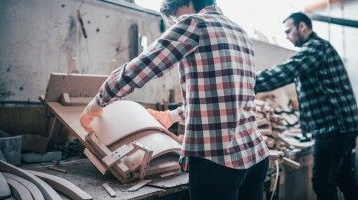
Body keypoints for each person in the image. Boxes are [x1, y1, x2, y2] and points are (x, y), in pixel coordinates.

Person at [80, 0, 269, 199]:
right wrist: (171, 116)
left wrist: (99, 101)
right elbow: (225, 98)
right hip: (255, 156)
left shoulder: (194, 24)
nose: (177, 21)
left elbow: (143, 67)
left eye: (175, 16)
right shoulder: (240, 32)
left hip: (217, 161)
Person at [255, 12, 358, 200]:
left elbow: (286, 72)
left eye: (288, 31)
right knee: (346, 180)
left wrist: (245, 81)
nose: (286, 36)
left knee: (322, 183)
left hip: (334, 128)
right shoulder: (319, 48)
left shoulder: (315, 48)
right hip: (342, 127)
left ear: (302, 27)